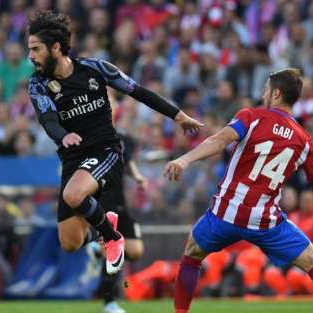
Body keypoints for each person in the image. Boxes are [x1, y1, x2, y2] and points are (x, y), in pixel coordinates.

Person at [164, 69, 313, 313]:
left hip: (225, 214)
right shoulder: (303, 139)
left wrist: (184, 160)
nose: (263, 94)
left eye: (265, 89)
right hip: (265, 221)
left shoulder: (251, 117)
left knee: (192, 255)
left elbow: (219, 141)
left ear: (275, 93)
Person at [27, 10, 202, 275]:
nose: (31, 56)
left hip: (106, 152)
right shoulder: (38, 84)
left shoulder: (95, 69)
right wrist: (62, 135)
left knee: (73, 194)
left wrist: (178, 116)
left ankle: (111, 237)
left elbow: (139, 92)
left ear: (56, 47)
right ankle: (103, 229)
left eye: (36, 49)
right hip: (73, 160)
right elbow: (48, 119)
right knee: (71, 243)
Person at [99, 132, 147, 313]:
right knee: (113, 252)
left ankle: (99, 252)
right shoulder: (90, 135)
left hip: (120, 203)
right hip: (102, 203)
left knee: (135, 251)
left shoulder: (122, 138)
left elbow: (127, 161)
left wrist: (137, 176)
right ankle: (109, 301)